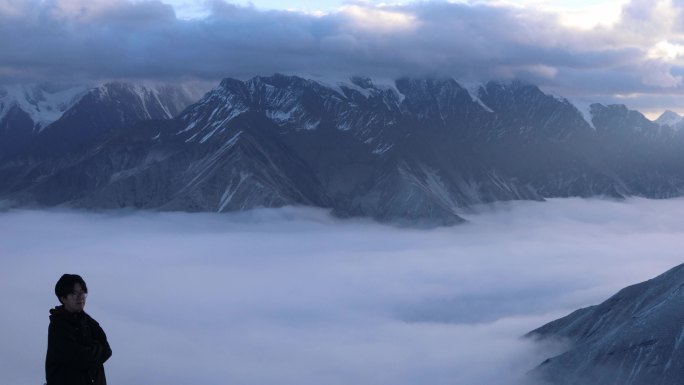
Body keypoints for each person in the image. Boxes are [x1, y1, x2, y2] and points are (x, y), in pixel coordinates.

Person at [45, 274, 112, 385]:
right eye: (73, 293)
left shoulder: (90, 323)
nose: (80, 297)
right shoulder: (58, 325)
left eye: (82, 293)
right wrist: (96, 348)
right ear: (63, 298)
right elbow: (77, 358)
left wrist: (89, 352)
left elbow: (107, 350)